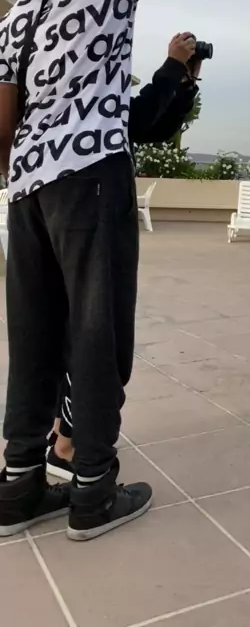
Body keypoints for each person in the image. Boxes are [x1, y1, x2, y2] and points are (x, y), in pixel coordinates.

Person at [0, 0, 250, 541]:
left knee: (32, 335)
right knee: (97, 331)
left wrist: (20, 175)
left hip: (27, 189)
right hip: (90, 176)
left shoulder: (18, 15)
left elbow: (4, 116)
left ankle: (18, 485)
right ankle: (92, 489)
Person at [47, 31, 200, 481]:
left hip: (68, 209)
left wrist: (184, 83)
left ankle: (59, 434)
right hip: (87, 213)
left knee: (73, 328)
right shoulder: (82, 89)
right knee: (95, 331)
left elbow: (149, 127)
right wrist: (172, 66)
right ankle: (69, 447)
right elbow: (141, 114)